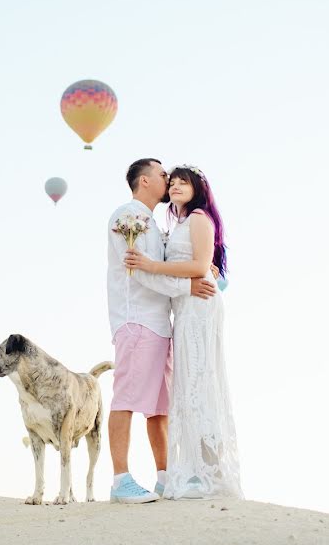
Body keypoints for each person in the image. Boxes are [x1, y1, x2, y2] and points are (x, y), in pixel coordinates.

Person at [125, 164, 243, 500]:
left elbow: (199, 265)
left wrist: (151, 265)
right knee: (188, 381)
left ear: (197, 189)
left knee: (200, 380)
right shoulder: (175, 223)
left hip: (200, 306)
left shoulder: (199, 218)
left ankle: (208, 470)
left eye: (183, 182)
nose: (175, 185)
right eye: (172, 181)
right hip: (185, 307)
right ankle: (193, 467)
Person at [107, 158, 216, 504]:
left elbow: (165, 262)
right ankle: (121, 480)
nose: (168, 180)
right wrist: (188, 288)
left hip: (159, 324)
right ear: (144, 181)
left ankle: (165, 478)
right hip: (136, 320)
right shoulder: (129, 216)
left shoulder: (152, 224)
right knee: (127, 397)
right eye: (162, 174)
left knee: (158, 407)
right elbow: (137, 269)